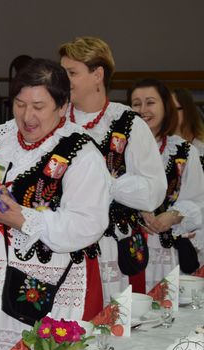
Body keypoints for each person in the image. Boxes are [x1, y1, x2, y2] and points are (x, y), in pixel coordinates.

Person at [0, 58, 111, 350]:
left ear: (62, 106)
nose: (27, 116)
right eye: (19, 104)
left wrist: (25, 219)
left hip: (48, 283)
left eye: (38, 107)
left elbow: (89, 223)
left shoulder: (80, 152)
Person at [59, 36, 166, 300]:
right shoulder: (55, 117)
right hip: (61, 242)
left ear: (97, 75)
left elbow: (154, 191)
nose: (62, 80)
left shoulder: (128, 123)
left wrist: (104, 182)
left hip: (112, 247)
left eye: (71, 73)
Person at [129, 79, 204, 289]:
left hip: (165, 248)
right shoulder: (119, 150)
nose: (142, 109)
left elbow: (198, 199)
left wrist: (172, 216)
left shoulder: (184, 151)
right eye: (136, 103)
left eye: (150, 102)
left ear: (165, 107)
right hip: (127, 248)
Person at [173, 88, 204, 167]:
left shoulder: (200, 145)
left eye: (175, 109)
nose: (170, 113)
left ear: (187, 110)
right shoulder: (159, 142)